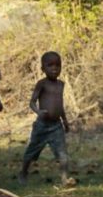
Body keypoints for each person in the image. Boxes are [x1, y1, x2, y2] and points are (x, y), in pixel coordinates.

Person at [19, 51, 75, 186]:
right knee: (32, 151)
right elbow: (32, 102)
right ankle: (23, 173)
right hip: (42, 125)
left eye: (58, 65)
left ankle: (64, 178)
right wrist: (38, 111)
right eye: (50, 65)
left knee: (63, 154)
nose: (54, 68)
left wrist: (65, 121)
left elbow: (60, 104)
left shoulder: (61, 84)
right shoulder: (41, 84)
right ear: (43, 69)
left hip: (56, 126)